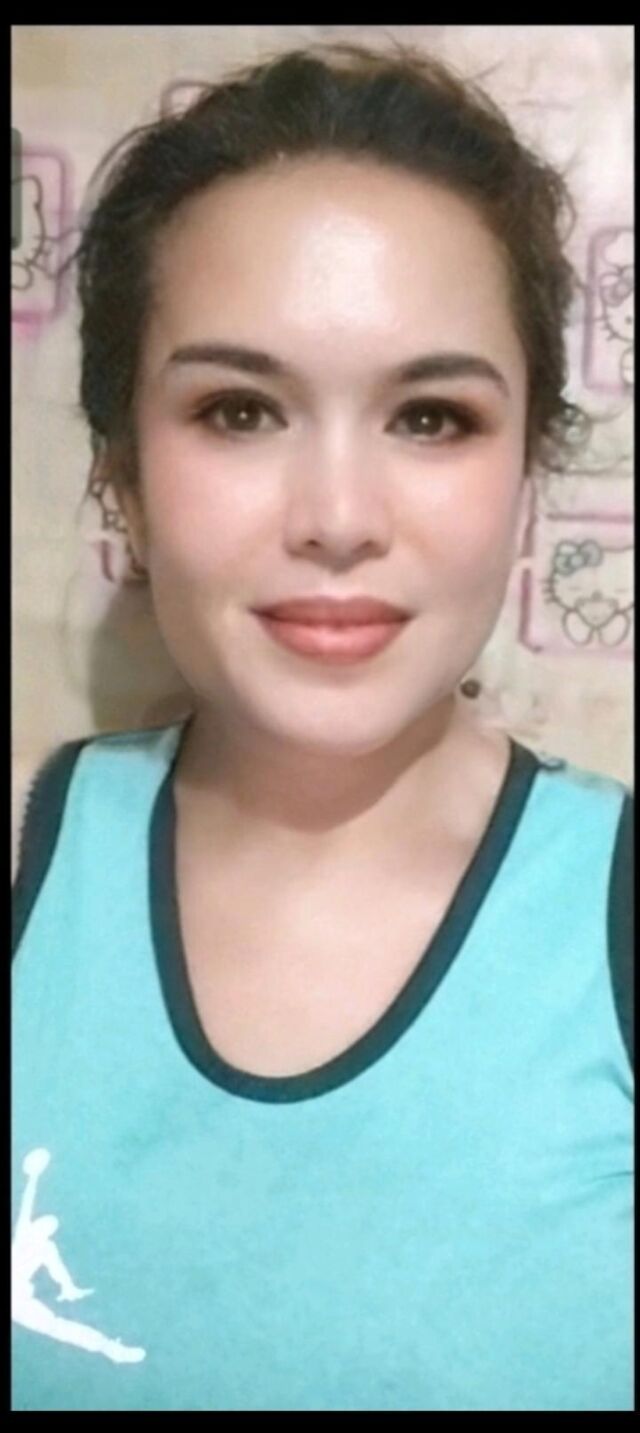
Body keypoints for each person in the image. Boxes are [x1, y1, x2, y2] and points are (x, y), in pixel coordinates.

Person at [12, 38, 633, 1413]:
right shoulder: (29, 862)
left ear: (526, 472)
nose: (339, 518)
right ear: (122, 471)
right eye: (239, 410)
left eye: (432, 417)